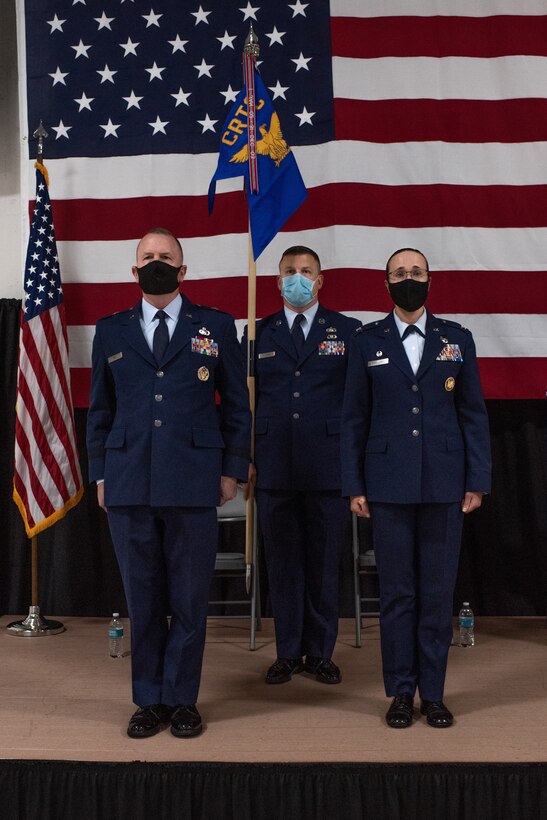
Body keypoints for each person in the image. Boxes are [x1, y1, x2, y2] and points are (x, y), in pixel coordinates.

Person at [87, 228, 250, 739]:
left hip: (194, 480)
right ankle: (147, 699)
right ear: (134, 272)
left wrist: (232, 470)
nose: (157, 263)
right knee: (144, 598)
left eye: (167, 257)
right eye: (148, 257)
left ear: (184, 271)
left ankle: (182, 699)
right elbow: (100, 411)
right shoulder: (111, 330)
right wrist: (100, 472)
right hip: (129, 478)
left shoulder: (217, 326)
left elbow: (238, 410)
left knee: (187, 599)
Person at [341, 247, 491, 728]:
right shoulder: (367, 341)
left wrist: (477, 480)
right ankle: (402, 692)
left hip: (445, 484)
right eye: (400, 273)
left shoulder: (456, 339)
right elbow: (353, 419)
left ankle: (436, 692)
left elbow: (473, 415)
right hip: (386, 486)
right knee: (399, 595)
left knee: (436, 594)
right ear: (385, 284)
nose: (409, 279)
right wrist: (354, 484)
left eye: (416, 272)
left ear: (430, 280)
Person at [244, 245, 361, 686]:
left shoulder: (346, 330)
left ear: (320, 280)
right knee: (284, 563)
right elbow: (243, 402)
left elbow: (357, 407)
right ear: (277, 282)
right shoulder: (259, 332)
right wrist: (246, 458)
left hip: (328, 465)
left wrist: (354, 467)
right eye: (290, 271)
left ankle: (321, 652)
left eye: (305, 271)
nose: (298, 277)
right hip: (272, 466)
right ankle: (288, 652)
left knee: (324, 562)